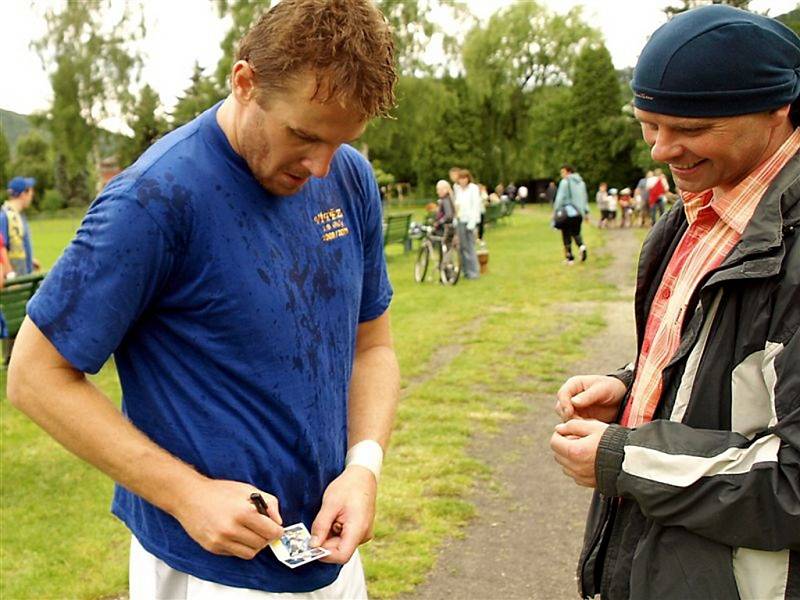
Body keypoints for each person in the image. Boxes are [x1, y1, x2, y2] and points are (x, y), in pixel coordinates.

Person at [7, 1, 400, 598]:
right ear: (245, 83)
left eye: (342, 141)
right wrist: (186, 493)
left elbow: (373, 346)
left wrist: (363, 466)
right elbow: (35, 375)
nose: (323, 166)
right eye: (304, 135)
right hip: (204, 569)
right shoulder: (152, 200)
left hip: (328, 558)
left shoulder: (348, 178)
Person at [550, 6, 800, 598]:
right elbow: (734, 368)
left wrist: (626, 457)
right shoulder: (695, 216)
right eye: (649, 124)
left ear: (776, 109)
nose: (662, 150)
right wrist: (636, 385)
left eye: (688, 127)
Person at [1, 176, 39, 276]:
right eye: (30, 192)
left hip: (23, 272)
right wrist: (10, 274)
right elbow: (1, 247)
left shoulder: (19, 216)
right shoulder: (4, 217)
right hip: (14, 280)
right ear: (23, 194)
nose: (32, 196)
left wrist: (30, 260)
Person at [553, 164, 589, 264]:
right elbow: (585, 198)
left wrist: (556, 211)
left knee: (566, 234)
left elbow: (560, 198)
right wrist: (586, 211)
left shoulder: (565, 182)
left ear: (568, 172)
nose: (562, 175)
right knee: (576, 233)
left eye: (563, 172)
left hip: (568, 212)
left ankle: (570, 258)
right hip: (579, 212)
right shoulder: (581, 183)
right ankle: (582, 247)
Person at [453, 169, 481, 279]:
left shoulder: (473, 189)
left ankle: (473, 272)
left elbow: (475, 206)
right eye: (460, 178)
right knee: (461, 247)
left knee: (470, 247)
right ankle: (464, 270)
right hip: (460, 220)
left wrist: (472, 222)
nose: (462, 181)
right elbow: (457, 205)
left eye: (464, 178)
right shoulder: (458, 189)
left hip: (469, 221)